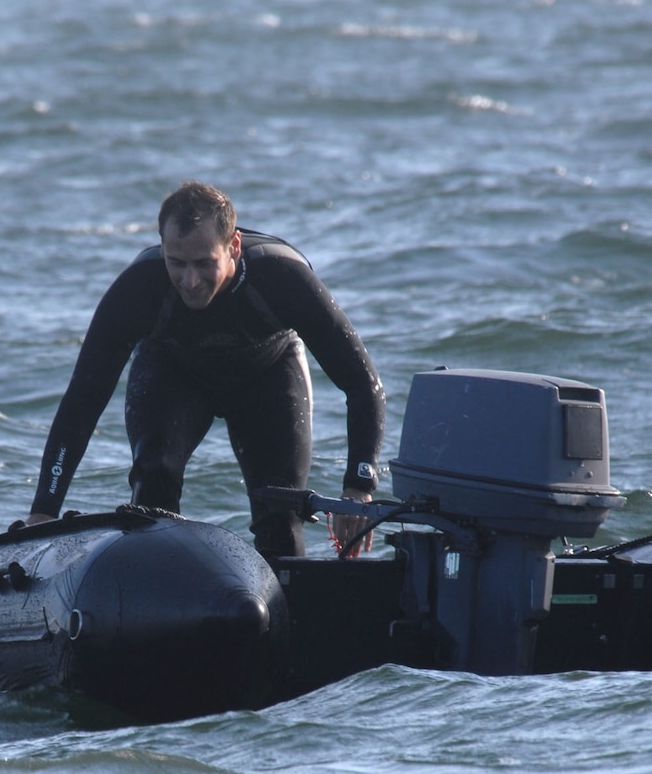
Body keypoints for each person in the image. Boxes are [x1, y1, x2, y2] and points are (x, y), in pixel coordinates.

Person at [23, 182, 385, 558]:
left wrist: (358, 485)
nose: (189, 281)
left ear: (234, 248)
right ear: (162, 247)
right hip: (174, 373)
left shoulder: (282, 277)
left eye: (203, 263)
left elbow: (363, 384)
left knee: (280, 511)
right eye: (175, 263)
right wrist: (44, 510)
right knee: (153, 491)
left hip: (268, 372)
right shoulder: (137, 289)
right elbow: (83, 401)